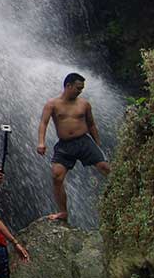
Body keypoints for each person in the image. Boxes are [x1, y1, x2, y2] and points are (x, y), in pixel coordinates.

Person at [36, 72, 112, 223]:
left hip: (84, 141)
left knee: (105, 167)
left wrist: (97, 144)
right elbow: (43, 123)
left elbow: (91, 124)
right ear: (68, 86)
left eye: (82, 89)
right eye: (78, 88)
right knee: (56, 176)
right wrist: (41, 142)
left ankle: (123, 192)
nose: (80, 91)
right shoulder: (52, 104)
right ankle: (63, 212)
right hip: (65, 144)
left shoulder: (84, 104)